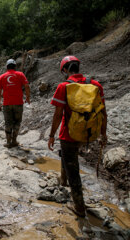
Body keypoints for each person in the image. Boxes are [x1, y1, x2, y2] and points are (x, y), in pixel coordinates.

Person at [48, 56, 108, 217]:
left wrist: (51, 135)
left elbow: (58, 114)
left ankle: (79, 208)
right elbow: (103, 112)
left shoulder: (64, 86)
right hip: (88, 133)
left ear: (65, 70)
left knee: (72, 166)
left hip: (68, 135)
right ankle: (63, 180)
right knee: (68, 158)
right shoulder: (95, 85)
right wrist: (103, 134)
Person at [0, 59, 30, 148]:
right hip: (18, 103)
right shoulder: (20, 74)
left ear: (7, 67)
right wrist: (28, 97)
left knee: (8, 123)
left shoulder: (1, 77)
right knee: (17, 122)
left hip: (7, 104)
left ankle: (8, 142)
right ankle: (14, 141)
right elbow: (26, 86)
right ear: (15, 66)